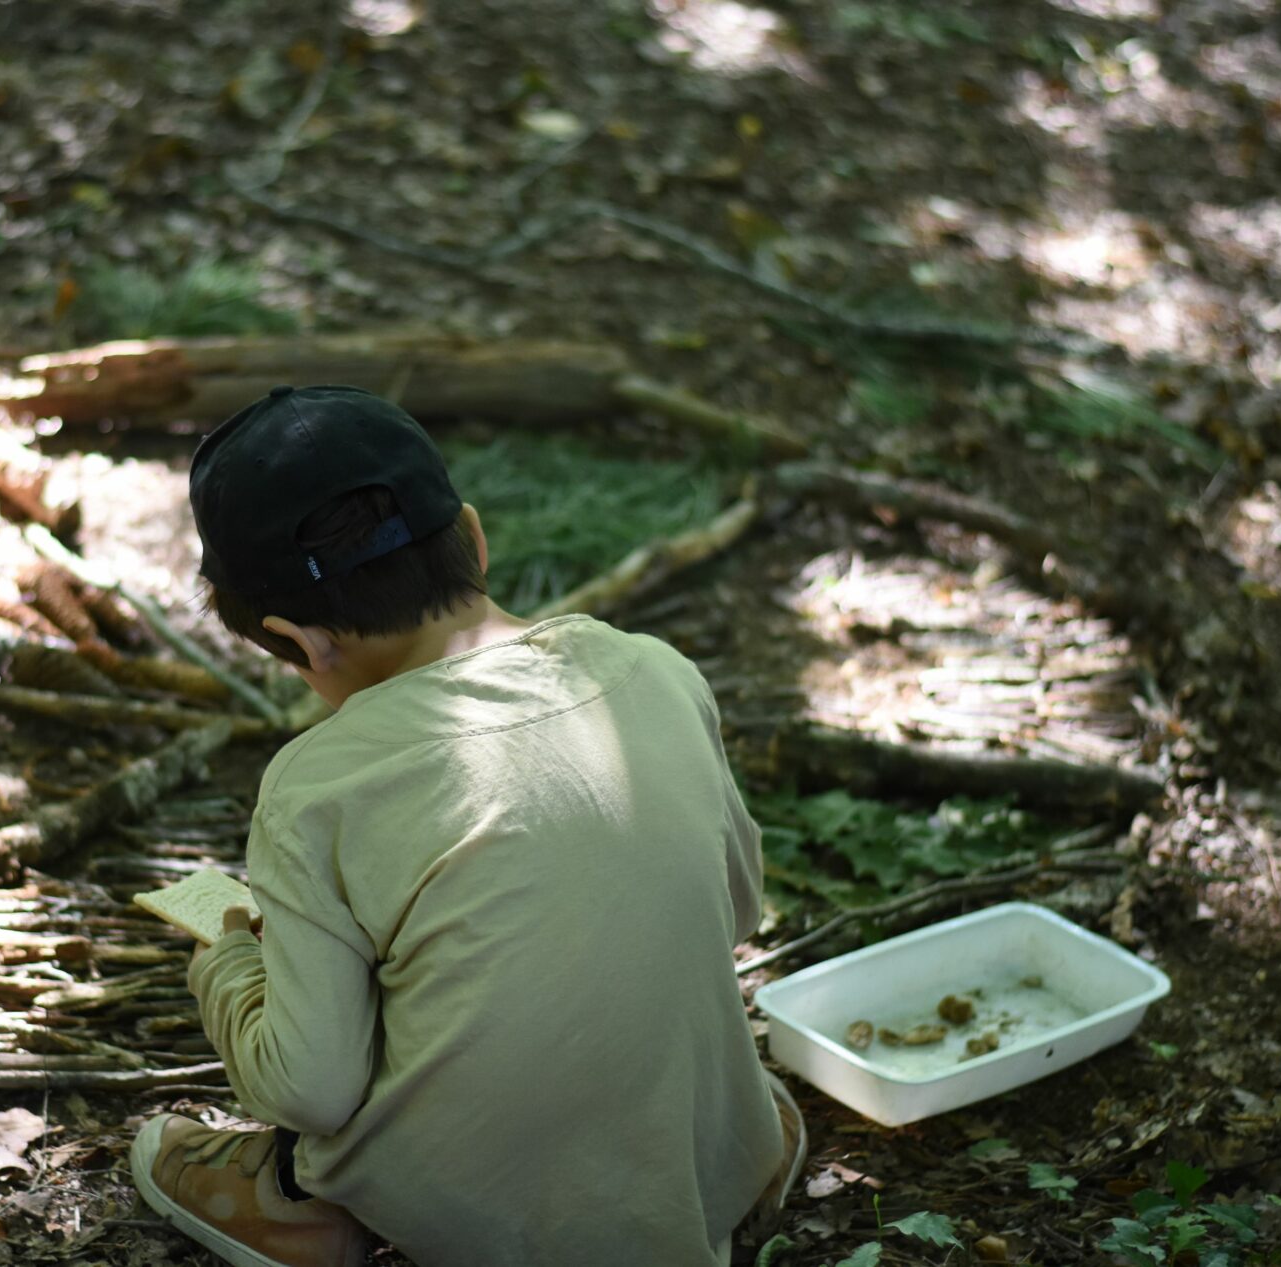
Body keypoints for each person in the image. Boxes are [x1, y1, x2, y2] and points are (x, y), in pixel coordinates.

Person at [129, 385, 806, 1267]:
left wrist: (230, 965)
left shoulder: (315, 787)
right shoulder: (656, 671)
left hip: (474, 1218)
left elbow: (312, 1084)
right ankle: (735, 1154)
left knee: (335, 1074)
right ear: (475, 538)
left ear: (302, 641)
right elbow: (737, 907)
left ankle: (302, 1204)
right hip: (689, 1161)